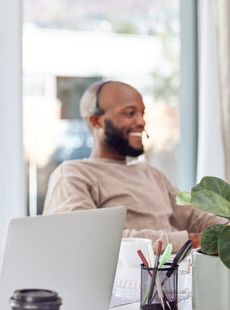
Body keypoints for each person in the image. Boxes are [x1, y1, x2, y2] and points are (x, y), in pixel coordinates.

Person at [43, 80, 227, 252]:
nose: (141, 121)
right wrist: (191, 241)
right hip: (129, 282)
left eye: (142, 113)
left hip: (177, 278)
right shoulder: (73, 175)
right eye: (130, 113)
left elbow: (195, 218)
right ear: (96, 121)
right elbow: (88, 240)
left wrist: (224, 228)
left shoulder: (152, 174)